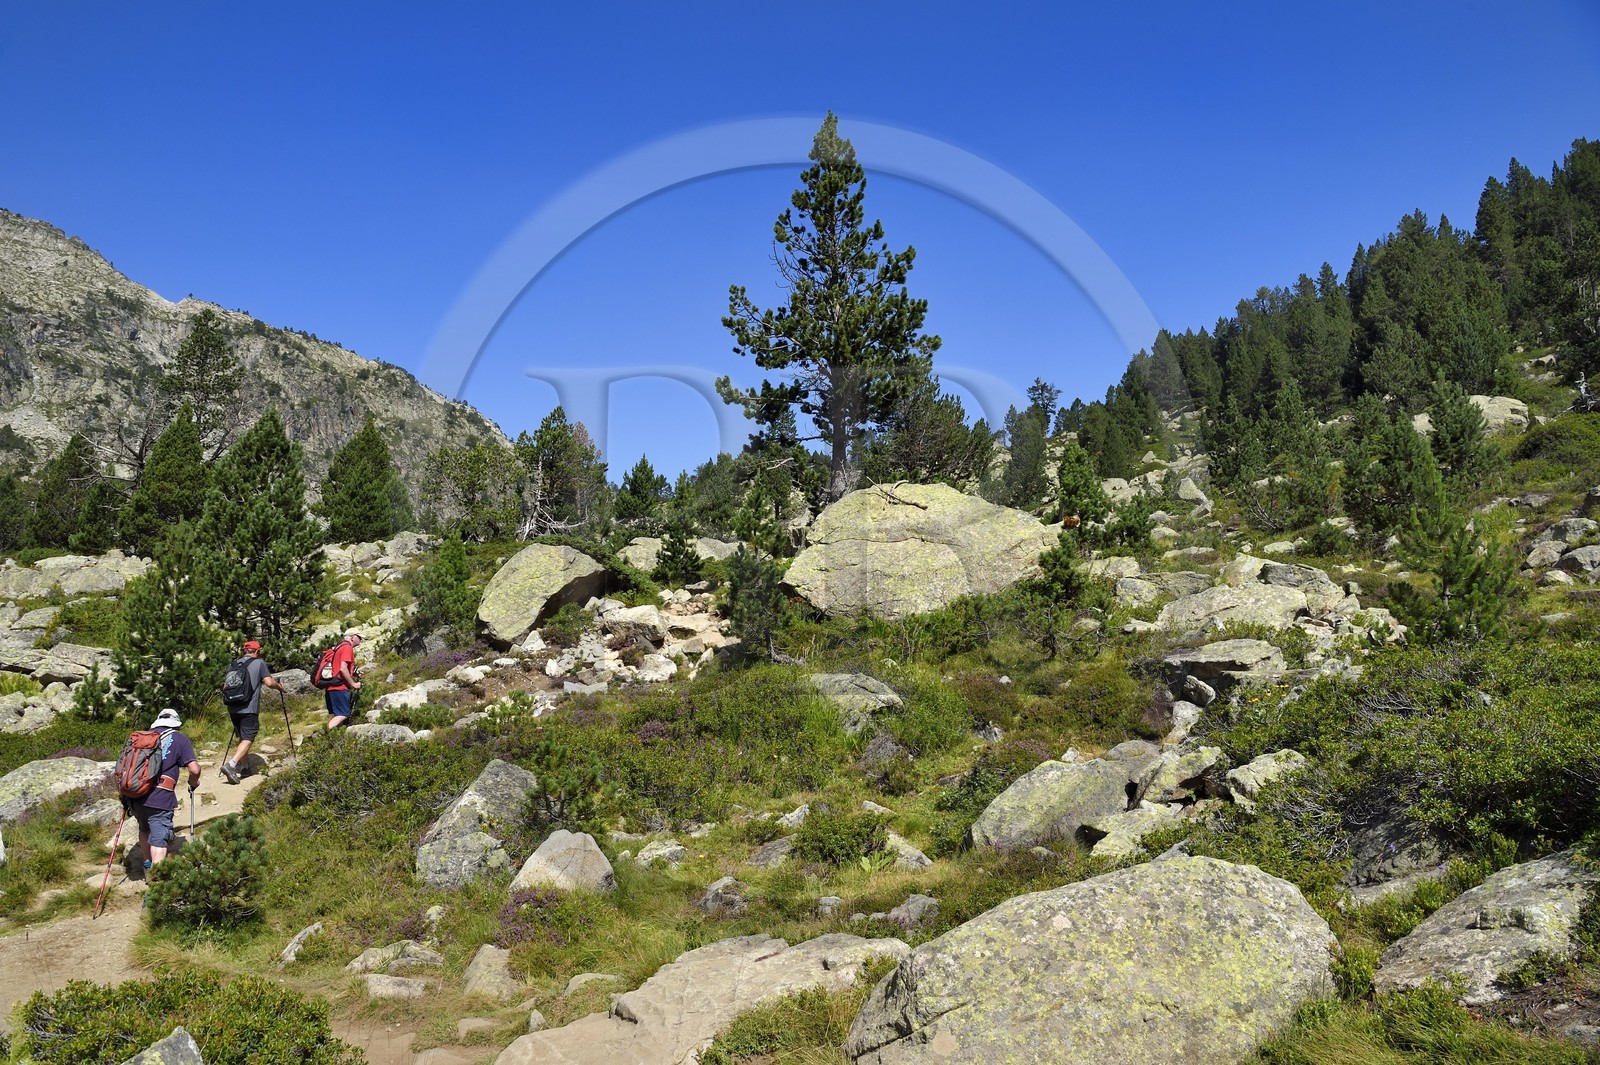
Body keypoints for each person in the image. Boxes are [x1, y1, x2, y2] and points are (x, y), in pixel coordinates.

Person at [128, 707, 200, 870]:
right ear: (176, 724)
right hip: (160, 796)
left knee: (144, 828)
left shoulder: (142, 738)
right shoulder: (180, 739)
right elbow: (194, 769)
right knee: (159, 837)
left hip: (136, 794)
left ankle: (147, 866)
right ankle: (156, 882)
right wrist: (193, 783)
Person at [221, 639, 288, 785]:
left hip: (233, 706)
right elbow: (269, 683)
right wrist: (280, 687)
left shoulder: (233, 664)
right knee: (248, 737)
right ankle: (231, 765)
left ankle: (245, 768)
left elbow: (226, 685)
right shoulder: (259, 663)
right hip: (249, 707)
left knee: (242, 736)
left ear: (244, 651)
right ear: (257, 651)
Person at [324, 630, 364, 730]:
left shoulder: (340, 647)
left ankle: (334, 739)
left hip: (332, 686)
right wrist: (353, 684)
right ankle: (323, 735)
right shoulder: (347, 648)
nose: (361, 640)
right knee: (343, 714)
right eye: (359, 637)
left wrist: (354, 673)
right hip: (339, 687)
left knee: (339, 715)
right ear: (352, 637)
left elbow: (337, 667)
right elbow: (342, 668)